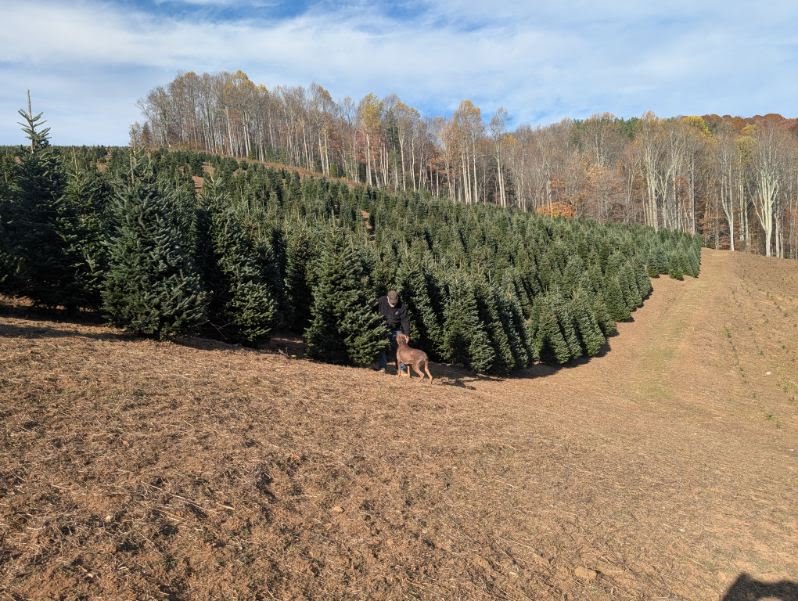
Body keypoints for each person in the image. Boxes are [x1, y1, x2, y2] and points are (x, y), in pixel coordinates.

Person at [376, 289, 410, 373]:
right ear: (387, 298)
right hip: (382, 328)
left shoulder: (402, 306)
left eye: (395, 302)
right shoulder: (381, 301)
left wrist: (406, 334)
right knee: (381, 346)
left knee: (401, 347)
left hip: (397, 329)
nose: (393, 304)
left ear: (397, 298)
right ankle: (382, 367)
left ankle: (401, 368)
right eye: (391, 302)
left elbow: (405, 320)